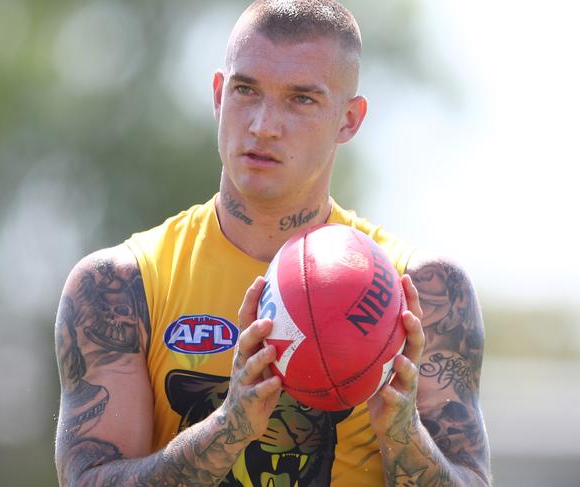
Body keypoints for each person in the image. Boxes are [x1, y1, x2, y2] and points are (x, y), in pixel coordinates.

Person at [54, 1, 491, 485]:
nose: (263, 124)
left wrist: (404, 434)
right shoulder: (121, 285)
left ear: (349, 119)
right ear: (219, 95)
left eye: (301, 99)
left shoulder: (420, 290)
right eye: (246, 90)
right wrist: (228, 427)